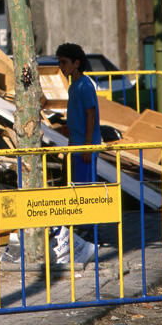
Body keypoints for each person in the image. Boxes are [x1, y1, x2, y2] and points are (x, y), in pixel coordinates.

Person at [54, 42, 100, 265]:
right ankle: (82, 228)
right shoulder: (74, 86)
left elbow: (91, 115)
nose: (61, 66)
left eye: (64, 62)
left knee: (86, 187)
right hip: (76, 144)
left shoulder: (84, 85)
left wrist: (88, 145)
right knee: (76, 187)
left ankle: (89, 230)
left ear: (76, 63)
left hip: (85, 146)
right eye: (60, 62)